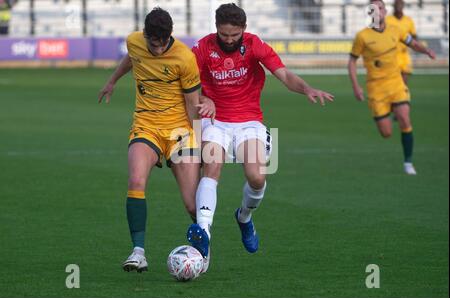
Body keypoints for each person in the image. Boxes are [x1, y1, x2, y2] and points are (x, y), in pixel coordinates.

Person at [186, 3, 334, 273]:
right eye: (224, 35)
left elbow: (285, 75)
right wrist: (204, 99)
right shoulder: (202, 48)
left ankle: (244, 217)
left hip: (249, 120)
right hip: (215, 120)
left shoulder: (255, 45)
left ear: (243, 29)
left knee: (256, 177)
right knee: (212, 167)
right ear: (216, 28)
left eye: (234, 35)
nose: (229, 40)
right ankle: (203, 233)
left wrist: (307, 88)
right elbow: (186, 85)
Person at [98, 8, 215, 273]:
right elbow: (132, 58)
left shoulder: (184, 58)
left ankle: (203, 250)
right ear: (146, 35)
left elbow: (192, 105)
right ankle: (138, 252)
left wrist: (199, 147)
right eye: (153, 43)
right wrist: (112, 80)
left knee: (191, 203)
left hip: (179, 132)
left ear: (169, 37)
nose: (158, 49)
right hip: (146, 125)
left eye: (163, 44)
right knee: (136, 180)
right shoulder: (134, 41)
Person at [348, 0, 435, 176]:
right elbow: (352, 62)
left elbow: (413, 43)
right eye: (373, 9)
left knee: (404, 118)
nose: (377, 11)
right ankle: (386, 116)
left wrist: (426, 51)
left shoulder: (396, 30)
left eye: (380, 7)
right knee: (386, 132)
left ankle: (408, 162)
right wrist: (356, 86)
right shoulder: (362, 36)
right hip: (376, 89)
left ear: (385, 10)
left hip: (396, 84)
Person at [386, 0, 417, 85]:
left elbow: (414, 36)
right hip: (392, 55)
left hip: (404, 55)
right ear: (393, 6)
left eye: (400, 4)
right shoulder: (388, 19)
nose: (398, 6)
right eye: (397, 4)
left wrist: (409, 43)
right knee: (392, 83)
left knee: (404, 82)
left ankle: (403, 97)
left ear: (403, 6)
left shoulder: (408, 20)